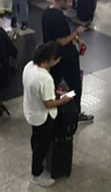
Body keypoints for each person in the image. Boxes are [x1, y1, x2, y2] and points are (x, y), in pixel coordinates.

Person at [23, 41, 73, 188]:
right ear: (51, 59)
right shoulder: (45, 78)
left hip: (31, 110)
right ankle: (36, 174)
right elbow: (48, 103)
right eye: (57, 59)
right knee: (42, 144)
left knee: (36, 138)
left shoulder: (29, 66)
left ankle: (37, 159)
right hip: (42, 116)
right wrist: (64, 99)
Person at [41, 0, 93, 124]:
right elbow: (62, 41)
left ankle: (59, 109)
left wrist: (77, 40)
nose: (71, 4)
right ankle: (74, 112)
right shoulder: (57, 17)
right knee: (75, 85)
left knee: (57, 84)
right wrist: (77, 33)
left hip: (53, 57)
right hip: (65, 58)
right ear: (62, 0)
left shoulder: (47, 12)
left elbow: (62, 34)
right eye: (69, 2)